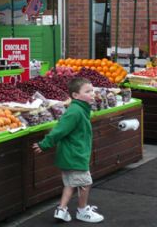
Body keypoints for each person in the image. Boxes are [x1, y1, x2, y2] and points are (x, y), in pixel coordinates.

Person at [32, 77, 104, 223]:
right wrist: (44, 144)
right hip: (75, 154)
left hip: (71, 153)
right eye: (88, 91)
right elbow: (60, 129)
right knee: (85, 183)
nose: (92, 93)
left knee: (71, 184)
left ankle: (61, 209)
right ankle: (82, 210)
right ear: (75, 95)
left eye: (92, 90)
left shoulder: (80, 109)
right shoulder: (75, 111)